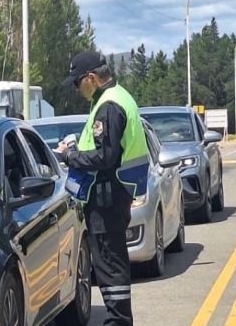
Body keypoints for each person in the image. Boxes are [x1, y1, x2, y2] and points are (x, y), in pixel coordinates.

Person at [54, 50, 149, 326]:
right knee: (110, 266)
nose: (75, 88)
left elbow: (105, 157)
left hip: (107, 199)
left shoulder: (108, 106)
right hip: (114, 196)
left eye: (77, 82)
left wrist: (69, 157)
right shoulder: (116, 97)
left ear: (91, 78)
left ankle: (118, 321)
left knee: (110, 267)